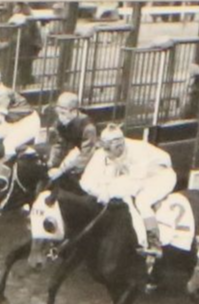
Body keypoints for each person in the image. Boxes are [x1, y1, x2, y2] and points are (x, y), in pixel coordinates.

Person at [80, 123, 176, 257]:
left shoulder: (137, 150)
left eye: (111, 148)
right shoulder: (101, 154)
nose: (108, 153)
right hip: (134, 182)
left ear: (121, 144)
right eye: (105, 148)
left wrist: (107, 190)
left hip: (159, 176)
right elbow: (85, 182)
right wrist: (99, 192)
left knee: (142, 201)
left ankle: (154, 243)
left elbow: (132, 185)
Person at [43, 92, 99, 184]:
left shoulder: (88, 127)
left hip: (83, 165)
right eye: (58, 113)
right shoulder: (60, 123)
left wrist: (63, 171)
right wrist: (51, 163)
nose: (60, 117)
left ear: (74, 111)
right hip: (67, 159)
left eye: (63, 113)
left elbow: (86, 156)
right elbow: (58, 145)